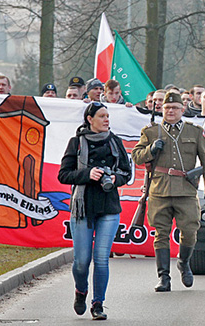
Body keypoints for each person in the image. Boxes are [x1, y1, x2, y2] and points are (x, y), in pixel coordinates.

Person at [131, 92, 205, 292]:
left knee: (189, 231)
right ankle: (163, 277)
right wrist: (151, 149)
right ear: (162, 110)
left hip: (186, 189)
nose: (170, 111)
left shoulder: (194, 132)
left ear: (182, 109)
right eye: (167, 108)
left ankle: (184, 262)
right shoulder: (151, 132)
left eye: (175, 108)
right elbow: (136, 156)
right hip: (159, 190)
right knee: (161, 234)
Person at [58, 102, 131, 320]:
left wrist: (116, 178)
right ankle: (81, 291)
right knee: (81, 261)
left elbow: (127, 172)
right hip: (82, 207)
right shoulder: (76, 142)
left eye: (108, 116)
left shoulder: (114, 141)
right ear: (90, 119)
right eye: (102, 116)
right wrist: (87, 174)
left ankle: (98, 304)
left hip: (108, 206)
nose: (107, 119)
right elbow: (63, 175)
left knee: (101, 258)